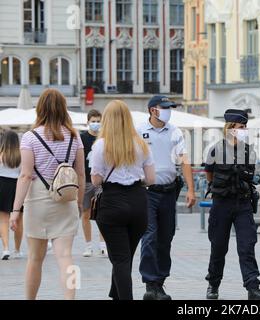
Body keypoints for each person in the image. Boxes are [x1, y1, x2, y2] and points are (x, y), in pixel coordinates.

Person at [9, 88, 85, 300]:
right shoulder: (74, 136)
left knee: (34, 258)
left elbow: (25, 175)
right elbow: (80, 173)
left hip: (38, 200)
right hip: (66, 198)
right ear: (63, 108)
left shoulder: (30, 138)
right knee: (66, 257)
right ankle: (70, 298)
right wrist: (79, 203)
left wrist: (16, 210)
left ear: (40, 108)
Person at [90, 100, 155, 300]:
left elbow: (95, 180)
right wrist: (136, 182)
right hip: (138, 202)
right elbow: (151, 179)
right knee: (125, 258)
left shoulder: (101, 145)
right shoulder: (141, 144)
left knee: (120, 259)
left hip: (112, 203)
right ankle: (115, 294)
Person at [203, 109, 260, 301]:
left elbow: (250, 174)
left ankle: (253, 288)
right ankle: (213, 285)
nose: (244, 130)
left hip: (242, 204)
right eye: (241, 127)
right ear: (231, 128)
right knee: (218, 247)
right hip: (221, 204)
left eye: (245, 127)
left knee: (247, 246)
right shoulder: (215, 149)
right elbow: (209, 173)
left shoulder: (249, 151)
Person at [138, 96, 196, 300]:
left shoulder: (175, 131)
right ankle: (150, 283)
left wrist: (191, 189)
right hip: (147, 192)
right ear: (153, 110)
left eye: (170, 108)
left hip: (169, 192)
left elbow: (184, 160)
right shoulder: (139, 130)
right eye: (165, 108)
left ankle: (160, 283)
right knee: (150, 236)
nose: (169, 111)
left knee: (166, 238)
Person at [80, 109, 107, 257]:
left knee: (102, 213)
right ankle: (88, 245)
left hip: (102, 181)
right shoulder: (82, 138)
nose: (96, 124)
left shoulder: (105, 138)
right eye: (93, 121)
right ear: (88, 122)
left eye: (98, 121)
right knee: (86, 213)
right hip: (86, 180)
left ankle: (103, 244)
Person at [0, 131, 23, 260]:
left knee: (3, 218)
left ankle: (5, 249)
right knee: (19, 219)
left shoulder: (1, 155)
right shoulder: (21, 156)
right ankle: (17, 250)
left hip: (2, 186)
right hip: (17, 186)